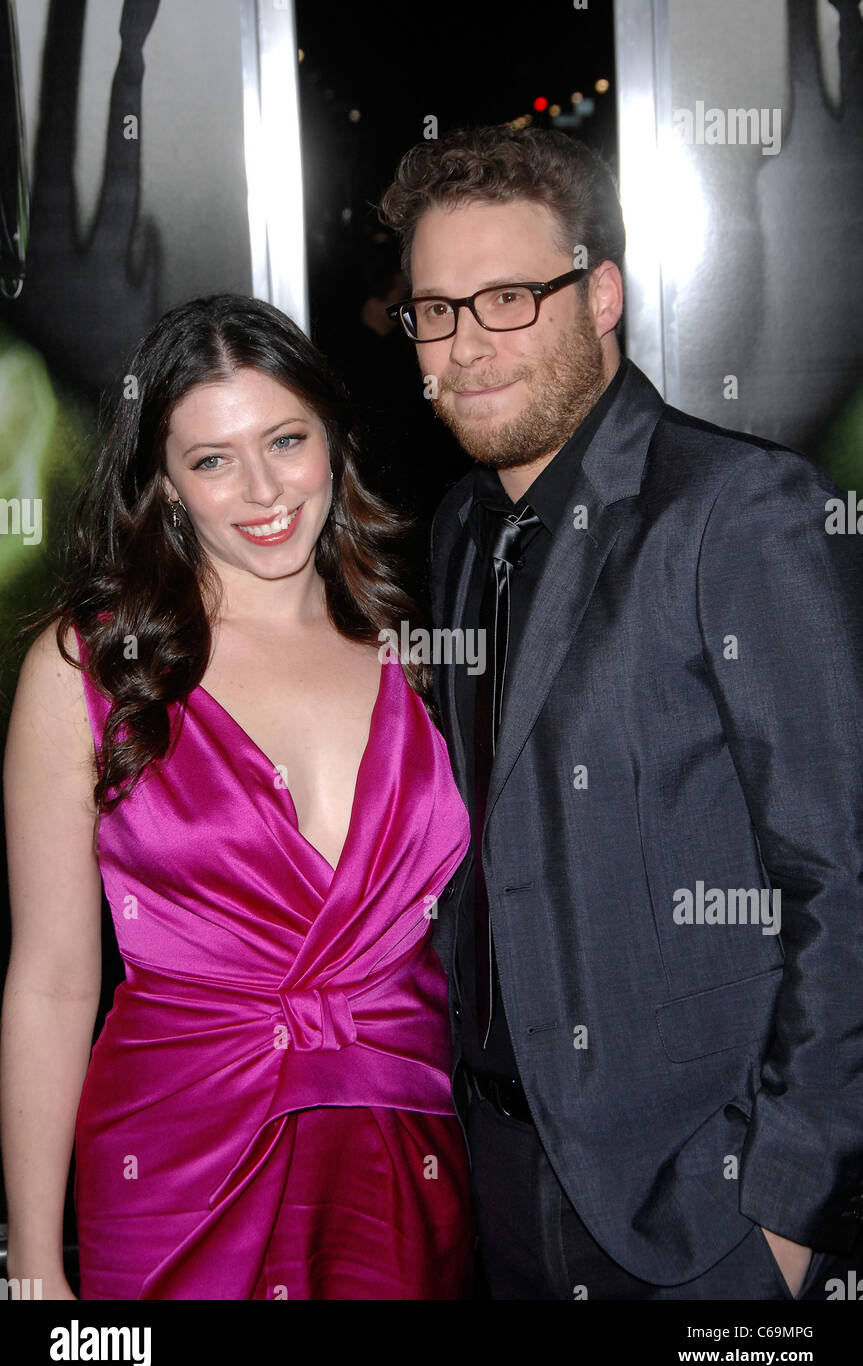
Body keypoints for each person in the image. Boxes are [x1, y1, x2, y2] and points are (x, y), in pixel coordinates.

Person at [378, 125, 863, 1300]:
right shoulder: (455, 531)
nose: (468, 346)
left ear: (598, 296)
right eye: (435, 312)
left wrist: (781, 1209)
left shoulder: (736, 509)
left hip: (698, 1206)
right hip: (497, 1179)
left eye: (507, 297)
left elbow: (840, 872)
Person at [0, 294, 473, 1300]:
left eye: (285, 440)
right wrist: (36, 1264)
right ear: (166, 485)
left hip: (402, 1148)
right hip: (174, 1164)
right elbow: (50, 981)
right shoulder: (88, 665)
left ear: (333, 440)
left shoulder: (423, 645)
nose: (260, 488)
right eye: (211, 459)